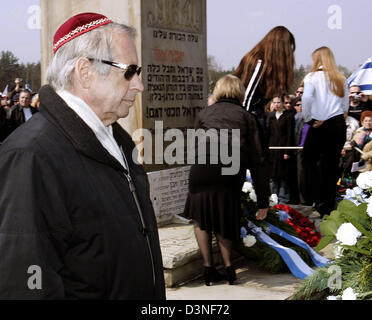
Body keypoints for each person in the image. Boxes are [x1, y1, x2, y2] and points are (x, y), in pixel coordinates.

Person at [0, 12, 165, 299]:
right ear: (85, 71)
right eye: (130, 72)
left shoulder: (118, 141)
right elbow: (25, 282)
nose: (139, 85)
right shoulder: (31, 156)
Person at [183, 75, 270, 286]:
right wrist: (263, 201)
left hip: (202, 169)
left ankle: (208, 269)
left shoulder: (204, 113)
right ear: (239, 92)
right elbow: (258, 160)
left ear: (219, 91)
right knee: (225, 216)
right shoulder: (246, 117)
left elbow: (194, 145)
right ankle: (229, 268)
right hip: (230, 172)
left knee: (201, 219)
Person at [302, 46, 349, 217]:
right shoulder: (341, 78)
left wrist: (308, 118)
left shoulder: (311, 77)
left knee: (308, 161)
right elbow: (345, 105)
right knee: (330, 166)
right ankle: (327, 205)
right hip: (337, 124)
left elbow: (306, 98)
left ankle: (313, 200)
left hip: (319, 125)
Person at [234, 26, 296, 137]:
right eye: (288, 47)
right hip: (246, 117)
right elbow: (247, 98)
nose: (290, 52)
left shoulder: (263, 63)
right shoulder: (260, 62)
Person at [266, 94, 294, 204]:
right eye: (274, 102)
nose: (276, 104)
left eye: (278, 102)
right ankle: (273, 198)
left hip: (283, 148)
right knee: (272, 176)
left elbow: (290, 134)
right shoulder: (270, 116)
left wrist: (287, 151)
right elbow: (267, 133)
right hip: (272, 149)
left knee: (283, 176)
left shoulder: (288, 116)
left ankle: (283, 199)